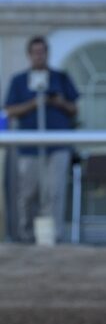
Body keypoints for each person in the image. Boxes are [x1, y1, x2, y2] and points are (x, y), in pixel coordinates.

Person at [3, 36, 80, 243]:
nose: (39, 56)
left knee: (54, 193)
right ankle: (25, 236)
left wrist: (57, 102)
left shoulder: (61, 78)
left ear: (47, 53)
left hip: (57, 147)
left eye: (42, 51)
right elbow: (9, 110)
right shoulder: (19, 81)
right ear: (29, 55)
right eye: (35, 52)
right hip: (28, 148)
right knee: (27, 194)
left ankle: (52, 237)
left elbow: (74, 108)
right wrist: (35, 102)